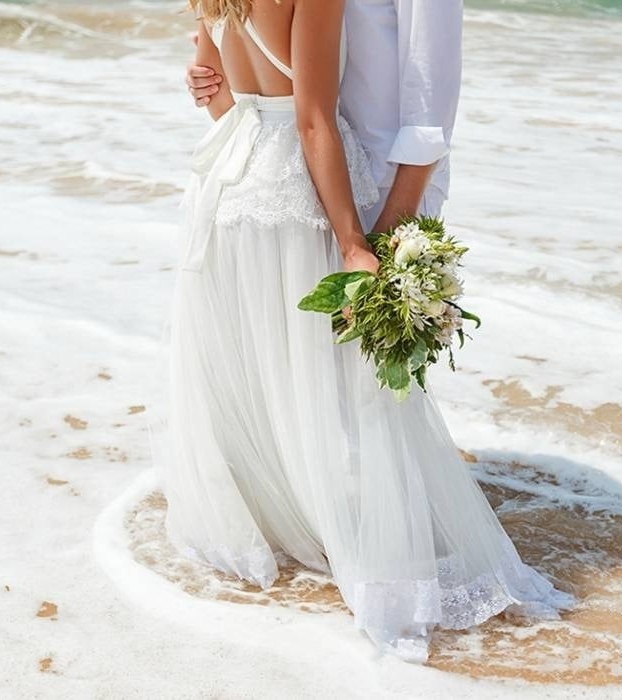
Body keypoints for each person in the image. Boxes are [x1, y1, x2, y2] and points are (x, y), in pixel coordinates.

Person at [162, 0, 572, 663]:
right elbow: (314, 118)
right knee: (335, 379)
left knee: (266, 365)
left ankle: (282, 519)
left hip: (229, 186)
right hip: (304, 188)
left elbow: (227, 101)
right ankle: (355, 533)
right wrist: (355, 243)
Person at [187, 0, 461, 235]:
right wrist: (213, 77)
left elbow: (431, 110)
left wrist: (393, 226)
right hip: (317, 186)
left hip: (388, 191)